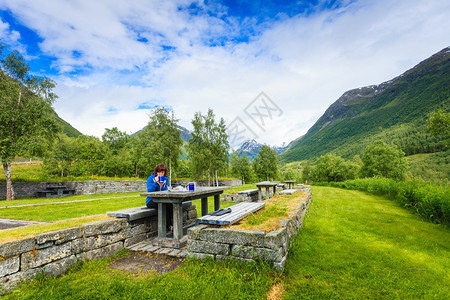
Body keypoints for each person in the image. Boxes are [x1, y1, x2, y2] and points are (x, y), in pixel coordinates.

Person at [146, 163, 173, 229]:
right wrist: (155, 183)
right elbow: (150, 191)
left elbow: (165, 191)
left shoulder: (166, 179)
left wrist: (161, 184)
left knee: (172, 203)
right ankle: (169, 225)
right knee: (165, 204)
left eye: (162, 172)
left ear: (164, 173)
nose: (160, 174)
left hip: (162, 199)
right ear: (156, 172)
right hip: (151, 200)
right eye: (159, 172)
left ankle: (174, 223)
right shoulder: (150, 179)